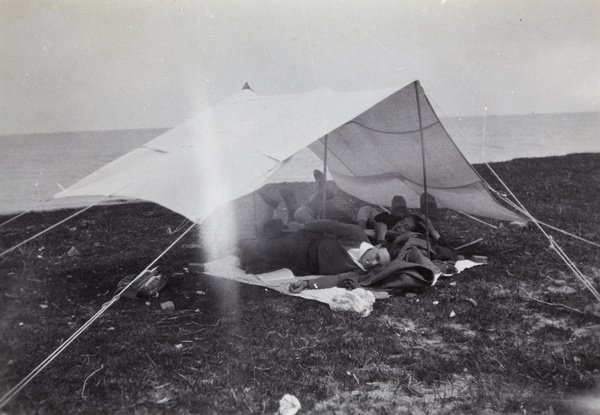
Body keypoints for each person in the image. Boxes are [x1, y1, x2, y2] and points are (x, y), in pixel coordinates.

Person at [238, 218, 391, 276]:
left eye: (378, 265)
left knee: (269, 266)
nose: (373, 263)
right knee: (256, 250)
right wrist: (302, 226)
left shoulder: (362, 272)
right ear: (375, 246)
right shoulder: (356, 234)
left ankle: (251, 244)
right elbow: (329, 225)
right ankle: (247, 244)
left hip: (305, 268)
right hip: (305, 246)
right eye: (376, 257)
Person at [278, 170, 354, 224]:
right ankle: (322, 187)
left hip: (301, 216)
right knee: (302, 215)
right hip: (303, 215)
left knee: (302, 214)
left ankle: (321, 186)